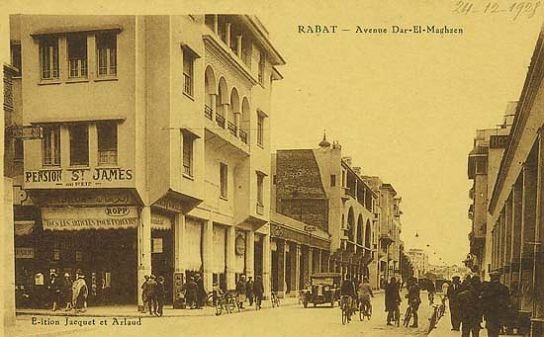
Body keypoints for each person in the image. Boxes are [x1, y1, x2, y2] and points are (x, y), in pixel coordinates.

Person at [481, 272, 510, 337]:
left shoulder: (487, 288)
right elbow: (507, 302)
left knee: (490, 331)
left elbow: (483, 301)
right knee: (496, 331)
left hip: (489, 313)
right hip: (499, 314)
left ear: (491, 278)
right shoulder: (504, 288)